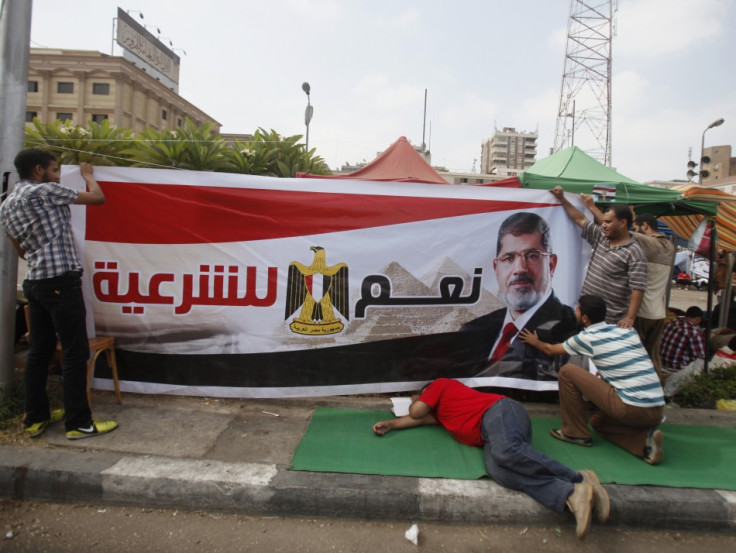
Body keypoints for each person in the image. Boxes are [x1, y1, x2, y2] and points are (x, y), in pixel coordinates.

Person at [372, 378, 609, 539]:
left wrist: (415, 402)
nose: (417, 402)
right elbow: (418, 419)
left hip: (501, 411)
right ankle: (570, 492)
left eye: (418, 396)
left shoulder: (440, 385)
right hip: (492, 434)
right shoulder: (441, 414)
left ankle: (576, 477)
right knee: (499, 472)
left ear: (425, 393)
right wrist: (390, 424)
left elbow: (416, 412)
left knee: (504, 451)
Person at [0, 148, 118, 440]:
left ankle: (35, 418)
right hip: (61, 282)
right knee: (75, 351)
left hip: (35, 283)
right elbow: (98, 198)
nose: (56, 175)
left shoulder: (7, 203)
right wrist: (88, 176)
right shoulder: (45, 192)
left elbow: (21, 250)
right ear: (38, 170)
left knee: (39, 352)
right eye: (54, 170)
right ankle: (79, 423)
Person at [520, 295, 666, 465]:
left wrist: (534, 341)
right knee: (597, 422)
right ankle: (644, 444)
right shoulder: (626, 330)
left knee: (567, 371)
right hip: (657, 409)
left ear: (585, 318)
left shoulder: (586, 337)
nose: (574, 312)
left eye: (577, 309)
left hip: (631, 408)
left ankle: (574, 432)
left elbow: (550, 350)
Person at [462, 212, 577, 380]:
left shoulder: (568, 326)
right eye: (509, 258)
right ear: (496, 268)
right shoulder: (473, 330)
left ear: (551, 265)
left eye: (531, 256)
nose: (520, 268)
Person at [580, 199, 674, 378]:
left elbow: (614, 230)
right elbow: (613, 227)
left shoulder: (642, 245)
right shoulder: (668, 247)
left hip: (639, 313)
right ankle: (653, 387)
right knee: (650, 357)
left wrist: (592, 207)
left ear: (643, 226)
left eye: (636, 227)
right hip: (658, 312)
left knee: (629, 358)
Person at [550, 187, 647, 329]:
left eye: (608, 222)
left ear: (622, 223)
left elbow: (638, 288)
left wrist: (630, 317)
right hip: (585, 315)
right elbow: (579, 218)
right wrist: (562, 199)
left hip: (610, 320)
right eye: (604, 221)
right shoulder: (601, 237)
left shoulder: (634, 252)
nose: (603, 225)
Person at [660, 306, 706, 373]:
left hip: (662, 364)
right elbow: (700, 357)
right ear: (698, 319)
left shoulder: (671, 323)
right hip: (677, 369)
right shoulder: (693, 332)